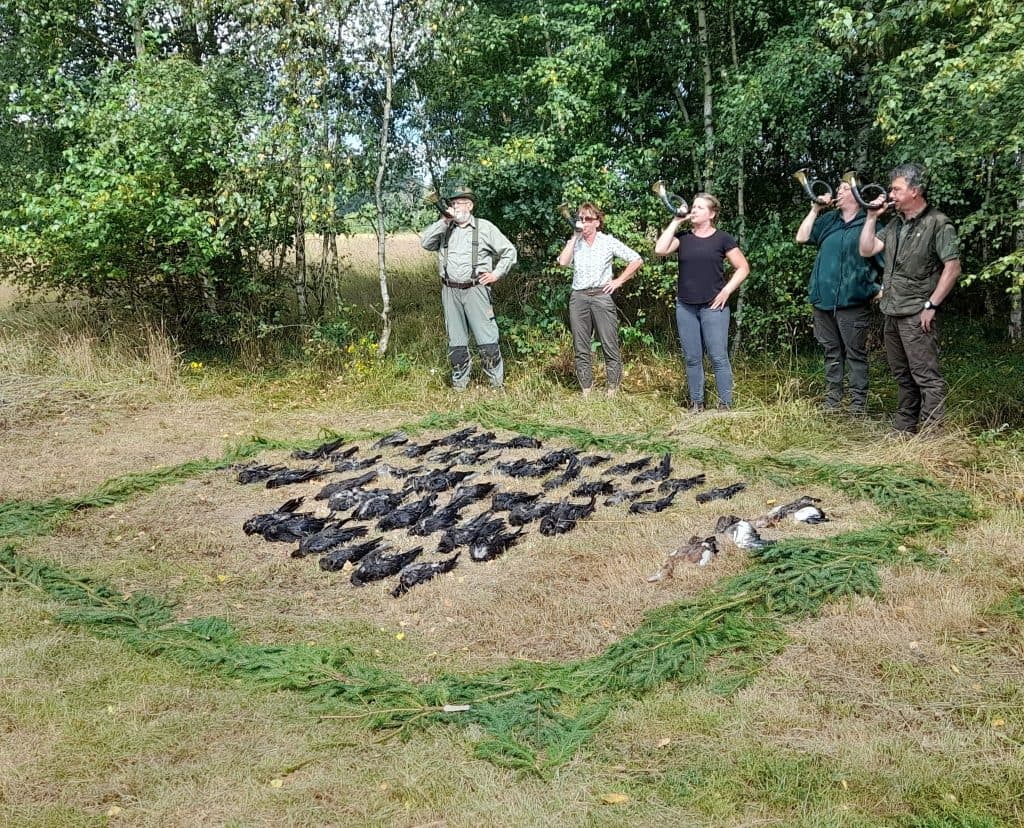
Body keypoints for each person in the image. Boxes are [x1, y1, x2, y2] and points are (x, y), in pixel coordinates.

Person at [858, 163, 961, 434]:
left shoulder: (938, 223)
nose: (891, 194)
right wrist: (870, 217)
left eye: (896, 189)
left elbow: (953, 268)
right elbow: (867, 249)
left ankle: (932, 435)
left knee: (926, 377)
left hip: (917, 312)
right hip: (892, 310)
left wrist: (932, 305)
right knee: (903, 377)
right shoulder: (894, 224)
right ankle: (904, 428)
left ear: (915, 191)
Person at [654, 193, 750, 411]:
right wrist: (676, 221)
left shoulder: (722, 239)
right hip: (686, 306)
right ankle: (696, 403)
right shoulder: (684, 237)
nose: (693, 210)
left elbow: (743, 267)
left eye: (699, 207)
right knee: (692, 358)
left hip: (713, 306)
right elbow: (659, 249)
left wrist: (726, 291)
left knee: (718, 356)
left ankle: (725, 404)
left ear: (712, 213)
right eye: (693, 207)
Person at [795, 180, 882, 414]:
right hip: (823, 301)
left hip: (853, 302)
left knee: (856, 354)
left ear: (856, 194)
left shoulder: (870, 223)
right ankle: (832, 402)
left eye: (844, 189)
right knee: (831, 352)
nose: (838, 192)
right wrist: (815, 209)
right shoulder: (829, 221)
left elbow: (884, 261)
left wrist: (877, 288)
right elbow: (801, 238)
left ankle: (857, 407)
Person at [420, 186, 517, 390]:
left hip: (476, 289)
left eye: (460, 203)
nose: (455, 207)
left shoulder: (484, 228)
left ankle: (495, 386)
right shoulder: (445, 227)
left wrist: (496, 274)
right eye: (453, 203)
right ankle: (460, 386)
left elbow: (509, 251)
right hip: (450, 291)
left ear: (470, 206)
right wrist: (445, 221)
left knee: (487, 341)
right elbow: (425, 243)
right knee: (456, 343)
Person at [555, 202, 644, 397]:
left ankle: (612, 388)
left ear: (597, 222)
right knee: (581, 344)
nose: (584, 222)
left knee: (608, 342)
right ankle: (586, 390)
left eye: (588, 219)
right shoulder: (575, 242)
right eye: (581, 219)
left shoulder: (607, 241)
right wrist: (574, 236)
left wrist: (618, 281)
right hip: (579, 297)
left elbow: (636, 259)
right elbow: (562, 263)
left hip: (601, 296)